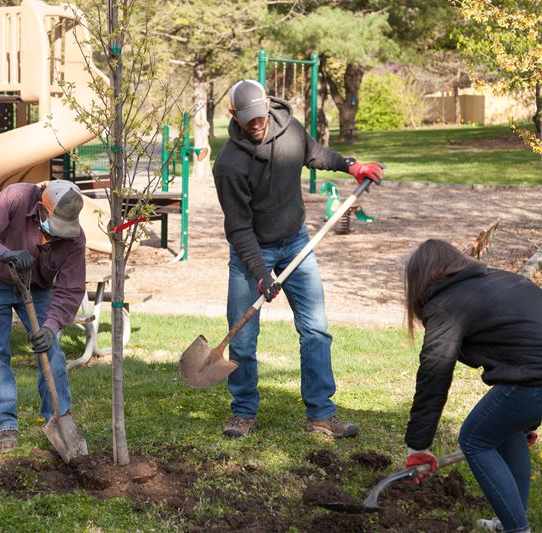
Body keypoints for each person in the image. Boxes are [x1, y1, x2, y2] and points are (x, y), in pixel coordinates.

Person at [212, 79, 384, 439]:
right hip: (251, 249)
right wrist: (260, 273)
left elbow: (313, 153)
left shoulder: (289, 129)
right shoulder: (229, 165)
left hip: (295, 242)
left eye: (259, 115)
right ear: (234, 115)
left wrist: (350, 165)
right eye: (248, 119)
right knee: (243, 338)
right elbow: (239, 228)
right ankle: (243, 411)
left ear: (267, 106)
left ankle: (321, 413)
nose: (256, 123)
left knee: (315, 329)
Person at [403, 239, 542, 533]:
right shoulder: (502, 279)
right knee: (503, 430)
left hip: (534, 378)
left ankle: (517, 530)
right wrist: (526, 418)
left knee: (475, 439)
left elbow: (434, 373)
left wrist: (418, 446)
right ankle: (510, 523)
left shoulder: (445, 304)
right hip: (532, 377)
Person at [0, 179, 86, 452]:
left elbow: (70, 289)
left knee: (50, 349)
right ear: (42, 207)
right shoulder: (17, 197)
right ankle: (4, 424)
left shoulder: (74, 238)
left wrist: (51, 327)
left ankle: (57, 416)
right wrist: (4, 253)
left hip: (39, 289)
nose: (57, 237)